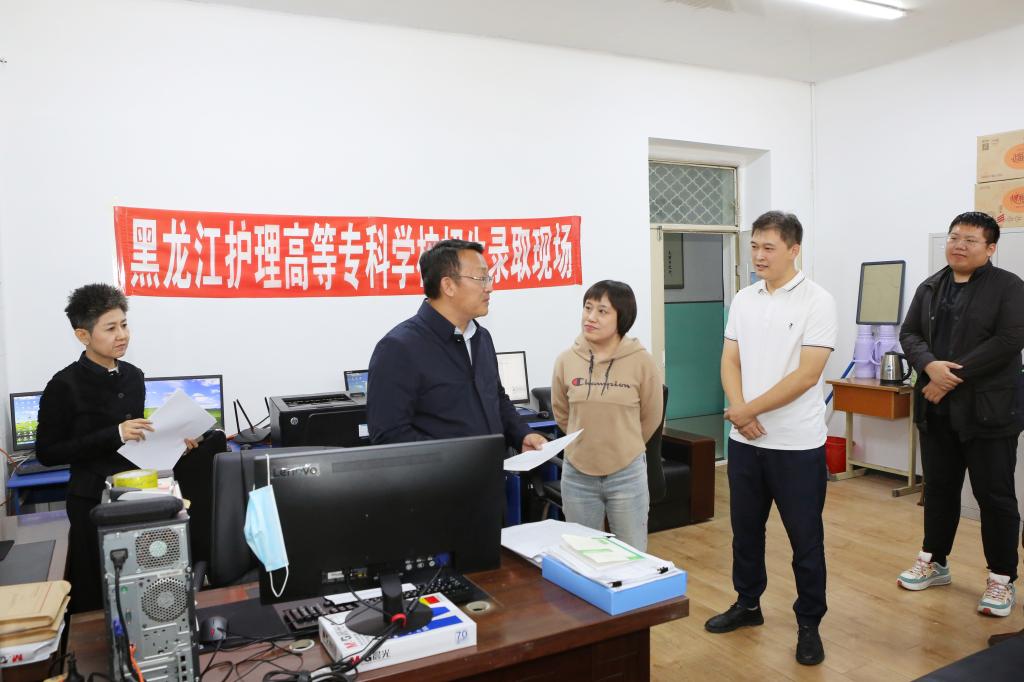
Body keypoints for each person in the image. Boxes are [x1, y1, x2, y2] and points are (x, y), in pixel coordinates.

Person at [704, 211, 837, 667]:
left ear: (794, 250)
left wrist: (747, 410)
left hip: (796, 445)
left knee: (805, 540)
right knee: (745, 532)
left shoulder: (818, 301)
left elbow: (807, 375)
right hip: (747, 443)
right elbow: (729, 360)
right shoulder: (745, 298)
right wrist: (740, 411)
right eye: (754, 246)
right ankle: (748, 604)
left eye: (768, 248)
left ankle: (809, 623)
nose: (758, 255)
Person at [35, 284, 195, 613]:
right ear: (83, 335)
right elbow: (48, 452)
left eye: (124, 324)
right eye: (110, 328)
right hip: (91, 500)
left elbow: (135, 440)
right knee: (97, 588)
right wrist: (115, 433)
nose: (122, 335)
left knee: (140, 583)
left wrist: (174, 442)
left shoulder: (134, 376)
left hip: (136, 494)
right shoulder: (63, 385)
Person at [896, 211, 1024, 619]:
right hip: (938, 412)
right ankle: (935, 561)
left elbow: (1010, 340)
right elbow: (909, 333)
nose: (959, 246)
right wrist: (929, 366)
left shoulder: (1009, 287)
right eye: (954, 237)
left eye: (970, 240)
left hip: (989, 414)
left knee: (994, 496)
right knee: (938, 489)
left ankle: (1002, 578)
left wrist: (948, 377)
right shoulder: (931, 286)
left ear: (990, 248)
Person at [367, 238, 547, 454]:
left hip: (492, 471)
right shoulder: (399, 348)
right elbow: (389, 435)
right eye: (481, 278)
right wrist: (454, 458)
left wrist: (522, 434)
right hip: (441, 476)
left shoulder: (481, 337)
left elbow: (496, 398)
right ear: (448, 286)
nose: (490, 287)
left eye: (488, 278)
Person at [550, 280, 662, 551]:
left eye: (602, 311)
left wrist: (625, 444)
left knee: (632, 554)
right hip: (577, 474)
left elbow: (651, 416)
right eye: (588, 308)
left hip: (627, 473)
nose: (590, 317)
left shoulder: (642, 361)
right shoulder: (566, 360)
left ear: (621, 318)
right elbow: (562, 413)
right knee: (582, 554)